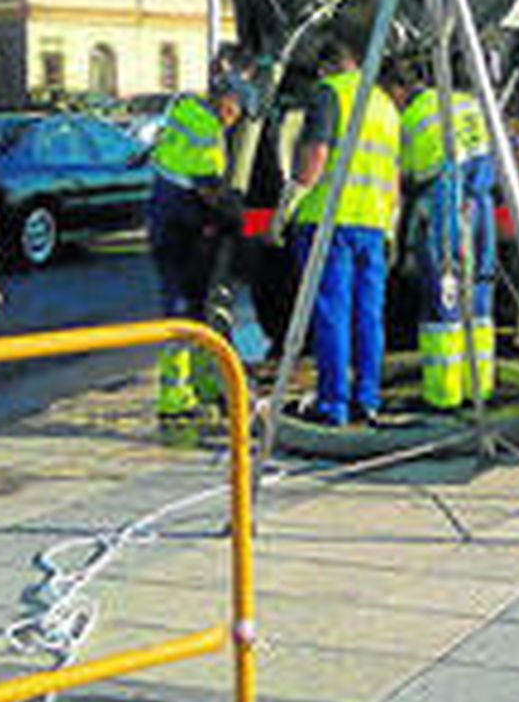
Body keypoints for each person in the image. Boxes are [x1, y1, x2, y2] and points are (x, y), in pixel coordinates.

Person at [271, 38, 400, 427]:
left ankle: (334, 404)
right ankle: (368, 398)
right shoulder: (385, 105)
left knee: (332, 314)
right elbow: (394, 177)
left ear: (326, 68)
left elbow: (315, 159)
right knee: (369, 316)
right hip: (373, 224)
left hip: (329, 223)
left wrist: (288, 204)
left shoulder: (329, 94)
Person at [387, 57, 497, 410]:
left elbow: (403, 177)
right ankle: (479, 387)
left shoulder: (411, 118)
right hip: (482, 206)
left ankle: (442, 395)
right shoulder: (467, 102)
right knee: (479, 297)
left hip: (443, 205)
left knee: (442, 300)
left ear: (398, 90)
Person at [148, 66, 256, 421]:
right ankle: (175, 397)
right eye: (236, 109)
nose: (234, 118)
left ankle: (201, 384)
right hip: (181, 230)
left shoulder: (186, 111)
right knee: (182, 311)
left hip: (171, 224)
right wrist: (253, 220)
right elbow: (210, 191)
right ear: (227, 101)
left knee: (194, 308)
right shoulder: (207, 131)